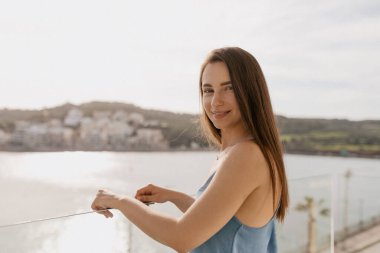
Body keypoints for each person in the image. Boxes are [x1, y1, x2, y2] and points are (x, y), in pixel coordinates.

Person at [91, 47, 289, 253]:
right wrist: (174, 196)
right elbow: (220, 220)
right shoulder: (238, 152)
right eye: (208, 90)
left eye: (228, 88)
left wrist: (119, 201)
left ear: (250, 91)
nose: (215, 101)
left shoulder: (247, 155)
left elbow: (182, 237)